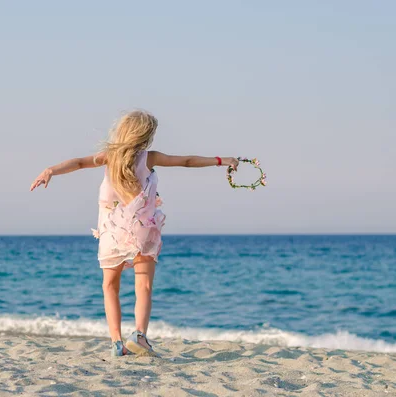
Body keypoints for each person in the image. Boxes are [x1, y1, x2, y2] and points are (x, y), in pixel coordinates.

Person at [30, 110, 239, 357]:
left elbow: (77, 163)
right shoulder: (149, 158)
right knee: (144, 286)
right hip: (142, 227)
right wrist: (221, 160)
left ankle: (117, 343)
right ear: (145, 135)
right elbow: (187, 161)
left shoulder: (108, 157)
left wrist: (50, 170)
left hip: (111, 229)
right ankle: (139, 335)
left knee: (109, 285)